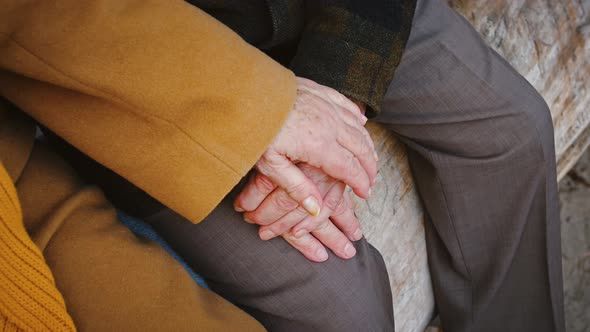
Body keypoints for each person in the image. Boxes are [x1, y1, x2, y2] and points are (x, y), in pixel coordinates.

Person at [0, 1, 565, 332]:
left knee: (515, 132)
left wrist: (343, 93)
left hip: (324, 9)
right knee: (345, 306)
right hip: (153, 69)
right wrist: (256, 113)